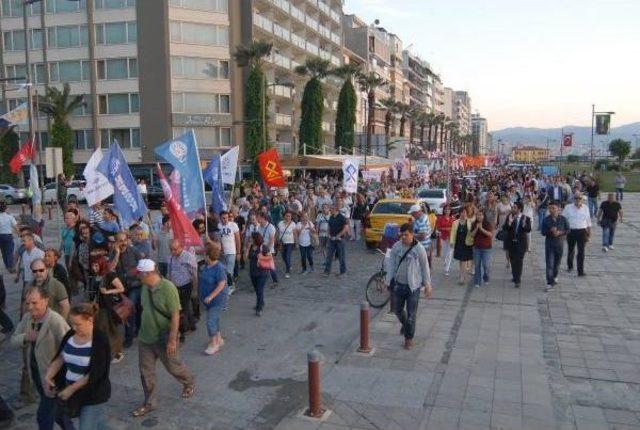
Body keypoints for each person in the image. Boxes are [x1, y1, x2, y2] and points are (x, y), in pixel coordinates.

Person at [132, 259, 194, 418]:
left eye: (139, 274)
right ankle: (150, 403)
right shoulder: (145, 288)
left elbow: (175, 316)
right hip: (146, 337)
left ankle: (188, 382)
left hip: (164, 338)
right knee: (146, 372)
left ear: (148, 274)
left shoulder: (168, 288)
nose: (137, 277)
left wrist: (172, 340)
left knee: (173, 367)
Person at [11, 286, 70, 430]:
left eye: (34, 303)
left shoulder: (55, 320)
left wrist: (55, 372)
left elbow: (69, 345)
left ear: (45, 301)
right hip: (36, 373)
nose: (30, 307)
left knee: (44, 415)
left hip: (53, 377)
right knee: (59, 414)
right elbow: (13, 340)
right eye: (27, 303)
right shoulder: (27, 318)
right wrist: (26, 337)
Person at [45, 303, 111, 429]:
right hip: (73, 392)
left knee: (86, 426)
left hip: (92, 393)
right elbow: (60, 357)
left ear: (90, 320)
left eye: (78, 324)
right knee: (97, 425)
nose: (74, 328)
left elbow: (96, 373)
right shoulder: (70, 335)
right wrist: (49, 375)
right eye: (72, 324)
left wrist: (71, 389)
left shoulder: (100, 340)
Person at [384, 223, 432, 350]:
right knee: (397, 310)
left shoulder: (419, 248)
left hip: (413, 286)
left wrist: (427, 284)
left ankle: (408, 338)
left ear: (412, 234)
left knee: (411, 315)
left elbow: (425, 266)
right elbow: (391, 265)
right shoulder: (396, 247)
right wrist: (388, 281)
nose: (403, 237)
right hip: (399, 285)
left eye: (406, 235)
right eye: (401, 235)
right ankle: (405, 325)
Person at [110, 232, 142, 348]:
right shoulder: (113, 253)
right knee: (130, 309)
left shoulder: (134, 251)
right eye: (120, 241)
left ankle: (131, 335)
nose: (123, 243)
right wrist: (117, 254)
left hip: (135, 285)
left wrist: (137, 274)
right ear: (116, 243)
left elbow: (142, 265)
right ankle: (132, 332)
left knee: (131, 308)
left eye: (124, 240)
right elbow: (111, 268)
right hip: (122, 288)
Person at [92, 257, 125, 363]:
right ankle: (105, 352)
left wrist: (108, 291)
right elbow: (96, 291)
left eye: (96, 265)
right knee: (101, 330)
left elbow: (121, 288)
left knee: (112, 329)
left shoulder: (110, 275)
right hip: (100, 307)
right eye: (93, 265)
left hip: (110, 307)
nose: (94, 267)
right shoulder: (97, 276)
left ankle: (118, 353)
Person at [198, 242, 228, 355]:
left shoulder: (219, 268)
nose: (203, 256)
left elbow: (221, 284)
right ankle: (219, 339)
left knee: (210, 321)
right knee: (214, 319)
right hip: (208, 301)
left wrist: (211, 296)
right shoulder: (206, 266)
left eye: (205, 254)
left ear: (208, 255)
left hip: (217, 300)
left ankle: (214, 344)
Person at [168, 239, 198, 343]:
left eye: (175, 249)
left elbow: (194, 274)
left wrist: (194, 289)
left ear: (181, 247)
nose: (173, 252)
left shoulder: (188, 257)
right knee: (186, 307)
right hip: (175, 287)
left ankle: (182, 332)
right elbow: (170, 272)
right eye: (171, 250)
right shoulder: (171, 258)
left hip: (186, 285)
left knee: (182, 309)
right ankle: (192, 325)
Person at [541, 201, 570, 291]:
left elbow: (568, 230)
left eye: (553, 208)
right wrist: (550, 231)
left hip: (560, 244)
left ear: (558, 209)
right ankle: (549, 282)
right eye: (550, 208)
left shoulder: (563, 219)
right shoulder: (546, 220)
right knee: (549, 263)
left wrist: (560, 232)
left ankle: (555, 276)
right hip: (550, 244)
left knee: (557, 263)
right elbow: (543, 232)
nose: (551, 210)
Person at [502, 201, 532, 288]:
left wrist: (523, 225)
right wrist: (509, 223)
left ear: (519, 209)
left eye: (514, 207)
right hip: (511, 243)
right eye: (512, 207)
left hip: (521, 244)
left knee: (519, 261)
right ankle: (515, 275)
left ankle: (517, 279)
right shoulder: (510, 216)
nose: (512, 209)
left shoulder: (526, 218)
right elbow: (505, 228)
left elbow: (528, 229)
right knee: (512, 260)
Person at [562, 192, 591, 276]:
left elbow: (588, 221)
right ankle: (570, 266)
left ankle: (580, 271)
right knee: (571, 250)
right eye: (576, 198)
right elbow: (563, 220)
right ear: (573, 199)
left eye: (579, 198)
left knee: (581, 252)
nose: (578, 200)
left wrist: (589, 233)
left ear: (582, 200)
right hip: (571, 231)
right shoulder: (568, 207)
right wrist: (563, 232)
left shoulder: (585, 208)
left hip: (582, 231)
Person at [16, 232, 46, 307]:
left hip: (37, 281)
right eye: (22, 241)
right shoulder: (24, 254)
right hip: (27, 281)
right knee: (25, 300)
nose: (22, 243)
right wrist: (18, 275)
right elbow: (23, 267)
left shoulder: (40, 253)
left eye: (24, 241)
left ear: (31, 241)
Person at [247, 233, 271, 316]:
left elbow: (270, 257)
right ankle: (261, 302)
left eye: (251, 238)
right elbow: (246, 257)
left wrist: (261, 257)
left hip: (262, 273)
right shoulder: (250, 247)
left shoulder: (263, 247)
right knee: (257, 290)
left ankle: (259, 308)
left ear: (255, 239)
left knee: (260, 290)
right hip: (253, 272)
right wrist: (247, 247)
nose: (250, 239)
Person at [218, 211, 241, 294]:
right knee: (224, 271)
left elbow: (238, 239)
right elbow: (219, 239)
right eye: (223, 218)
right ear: (220, 218)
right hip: (222, 253)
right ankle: (228, 285)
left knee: (229, 271)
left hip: (232, 251)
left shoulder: (233, 225)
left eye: (227, 218)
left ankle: (231, 286)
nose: (225, 220)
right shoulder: (219, 226)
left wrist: (238, 252)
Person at [323, 203, 348, 277]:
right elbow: (329, 226)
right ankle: (327, 271)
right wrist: (328, 234)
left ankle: (343, 272)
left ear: (336, 209)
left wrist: (339, 235)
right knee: (329, 256)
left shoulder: (341, 217)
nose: (331, 210)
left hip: (340, 240)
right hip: (331, 239)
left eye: (332, 209)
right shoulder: (331, 217)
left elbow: (346, 228)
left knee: (341, 256)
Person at [450, 208, 473, 285]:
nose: (463, 214)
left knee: (464, 260)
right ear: (459, 213)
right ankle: (462, 274)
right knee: (461, 260)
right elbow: (453, 233)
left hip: (467, 243)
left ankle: (462, 276)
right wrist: (452, 242)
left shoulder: (470, 222)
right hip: (458, 243)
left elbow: (472, 233)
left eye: (465, 212)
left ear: (467, 213)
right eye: (462, 212)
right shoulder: (455, 222)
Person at [471, 210, 493, 288]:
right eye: (477, 215)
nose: (479, 217)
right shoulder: (474, 224)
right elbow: (472, 235)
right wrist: (477, 228)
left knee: (486, 265)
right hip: (476, 248)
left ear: (484, 216)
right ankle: (477, 281)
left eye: (480, 215)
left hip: (486, 248)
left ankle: (486, 277)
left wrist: (481, 229)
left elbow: (490, 234)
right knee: (477, 265)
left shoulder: (487, 224)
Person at [436, 205, 455, 276]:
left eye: (448, 210)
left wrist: (450, 229)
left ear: (450, 211)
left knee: (449, 253)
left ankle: (447, 269)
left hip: (451, 238)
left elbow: (455, 228)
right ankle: (445, 263)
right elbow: (438, 228)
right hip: (443, 237)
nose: (447, 211)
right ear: (443, 210)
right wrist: (445, 229)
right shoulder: (440, 218)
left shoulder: (453, 218)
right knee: (444, 253)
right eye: (446, 210)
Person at [277, 211, 296, 278]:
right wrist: (277, 241)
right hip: (282, 242)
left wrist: (296, 242)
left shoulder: (293, 224)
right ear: (284, 216)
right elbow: (278, 232)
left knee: (287, 256)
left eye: (289, 216)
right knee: (283, 257)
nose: (288, 217)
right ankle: (289, 265)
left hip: (290, 242)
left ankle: (287, 271)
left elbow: (294, 233)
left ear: (291, 217)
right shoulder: (280, 223)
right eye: (286, 216)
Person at [0, 201, 17, 272]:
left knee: (3, 252)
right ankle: (10, 267)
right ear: (6, 208)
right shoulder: (10, 217)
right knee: (9, 252)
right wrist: (19, 233)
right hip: (8, 236)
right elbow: (15, 226)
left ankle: (7, 265)